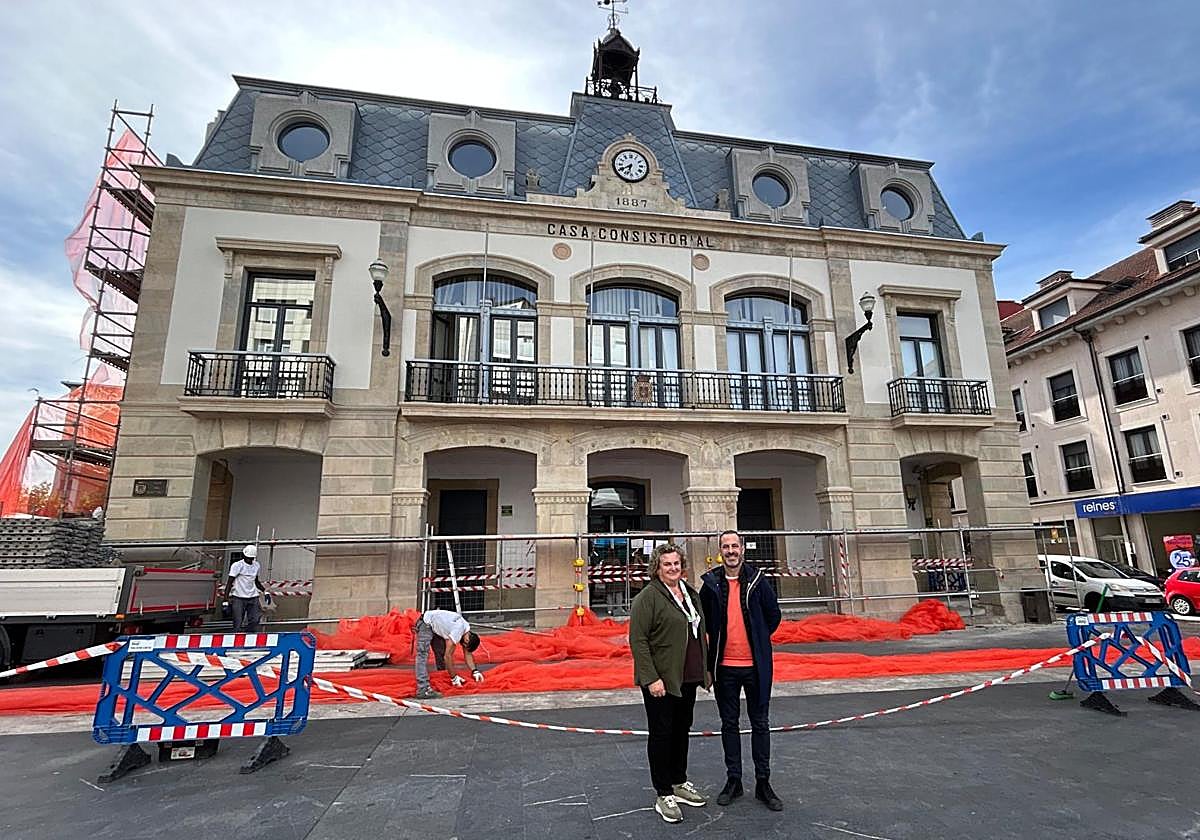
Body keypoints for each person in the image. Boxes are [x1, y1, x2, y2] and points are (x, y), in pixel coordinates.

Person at [699, 529, 783, 812]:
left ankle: (763, 782)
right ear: (720, 550)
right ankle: (733, 780)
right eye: (726, 546)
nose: (731, 551)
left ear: (743, 549)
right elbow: (703, 623)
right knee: (729, 724)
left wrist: (757, 639)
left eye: (735, 546)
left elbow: (774, 616)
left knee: (760, 723)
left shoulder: (758, 581)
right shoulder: (710, 583)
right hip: (725, 668)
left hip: (755, 667)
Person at [628, 543, 711, 824]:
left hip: (686, 677)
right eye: (667, 564)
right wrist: (651, 678)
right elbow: (638, 641)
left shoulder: (690, 593)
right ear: (657, 568)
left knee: (681, 729)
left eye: (676, 563)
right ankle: (663, 792)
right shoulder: (648, 598)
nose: (673, 568)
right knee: (662, 733)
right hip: (661, 679)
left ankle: (679, 780)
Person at [413, 609, 484, 700]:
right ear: (467, 640)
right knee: (422, 655)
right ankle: (423, 689)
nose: (462, 646)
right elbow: (448, 656)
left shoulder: (466, 630)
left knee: (440, 654)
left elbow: (467, 654)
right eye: (465, 645)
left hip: (435, 627)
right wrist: (454, 677)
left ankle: (442, 679)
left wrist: (475, 671)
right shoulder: (459, 630)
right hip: (426, 623)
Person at [225, 544, 267, 633]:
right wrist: (226, 600)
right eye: (248, 558)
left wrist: (265, 591)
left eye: (251, 558)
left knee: (255, 620)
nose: (249, 560)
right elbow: (229, 583)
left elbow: (256, 581)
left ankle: (249, 636)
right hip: (238, 597)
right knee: (238, 621)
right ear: (244, 556)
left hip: (253, 597)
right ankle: (236, 640)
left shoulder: (256, 565)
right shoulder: (237, 566)